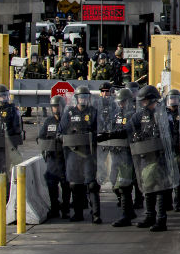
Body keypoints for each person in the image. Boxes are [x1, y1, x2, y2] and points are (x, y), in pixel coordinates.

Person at [127, 86, 179, 232]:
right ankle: (150, 215)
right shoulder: (141, 115)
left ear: (152, 99)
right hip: (146, 156)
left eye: (144, 101)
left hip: (160, 157)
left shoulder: (163, 114)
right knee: (148, 187)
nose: (143, 104)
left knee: (160, 188)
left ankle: (161, 219)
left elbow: (170, 135)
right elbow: (129, 127)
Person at [59, 86, 100, 223]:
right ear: (76, 99)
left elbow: (99, 131)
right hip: (73, 153)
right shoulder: (69, 113)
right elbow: (60, 132)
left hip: (89, 154)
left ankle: (96, 214)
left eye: (85, 97)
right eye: (81, 97)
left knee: (92, 184)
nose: (83, 100)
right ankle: (78, 214)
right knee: (75, 185)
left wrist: (93, 137)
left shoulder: (93, 112)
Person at [102, 88, 138, 227]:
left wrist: (112, 135)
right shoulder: (116, 114)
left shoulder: (133, 114)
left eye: (123, 102)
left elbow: (127, 131)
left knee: (124, 184)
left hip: (128, 154)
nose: (121, 104)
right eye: (120, 102)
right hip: (116, 153)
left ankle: (126, 215)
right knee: (115, 182)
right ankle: (129, 211)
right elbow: (110, 127)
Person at [39, 96, 70, 219]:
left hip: (65, 158)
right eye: (53, 107)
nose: (55, 109)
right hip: (52, 158)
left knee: (66, 185)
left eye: (57, 106)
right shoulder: (49, 121)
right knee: (51, 184)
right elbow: (41, 135)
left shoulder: (67, 120)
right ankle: (55, 208)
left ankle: (66, 209)